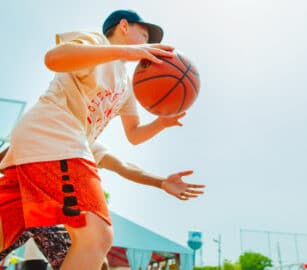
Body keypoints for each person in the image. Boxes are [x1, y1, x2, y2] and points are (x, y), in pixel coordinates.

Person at [0, 9, 203, 270]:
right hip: (52, 133)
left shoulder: (126, 88)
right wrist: (126, 52)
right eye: (144, 33)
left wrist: (160, 124)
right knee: (97, 235)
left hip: (45, 148)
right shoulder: (97, 43)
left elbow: (134, 135)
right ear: (123, 26)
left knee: (8, 231)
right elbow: (53, 58)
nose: (148, 41)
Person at [0, 143, 204, 270]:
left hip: (49, 216)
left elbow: (124, 167)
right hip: (20, 204)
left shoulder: (88, 146)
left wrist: (160, 181)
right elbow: (6, 155)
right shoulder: (42, 131)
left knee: (99, 262)